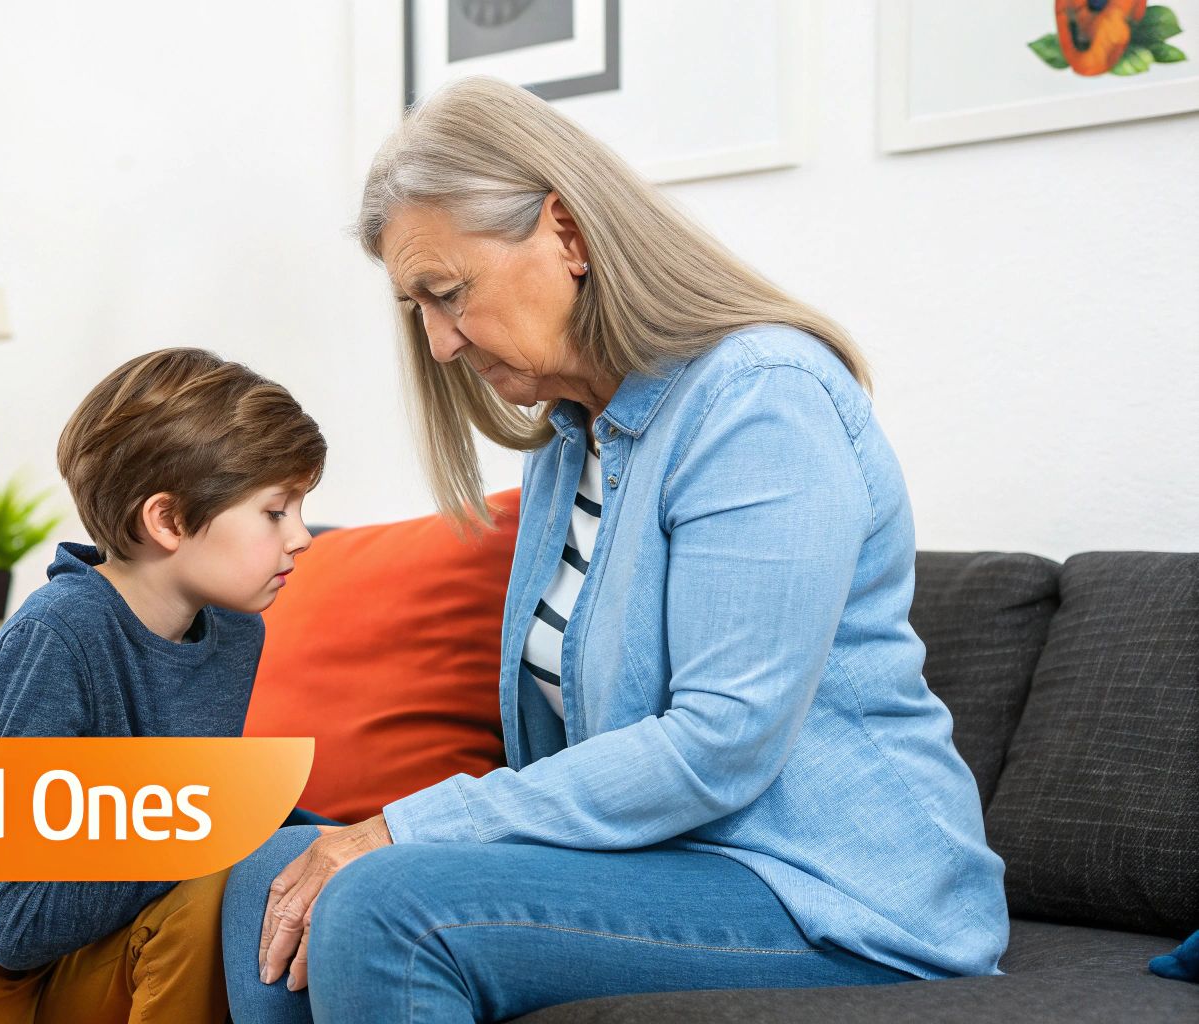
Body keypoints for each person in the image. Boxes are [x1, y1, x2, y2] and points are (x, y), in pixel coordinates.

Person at [206, 76, 1008, 1021]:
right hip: (669, 864)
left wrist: (405, 828)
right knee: (269, 866)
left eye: (447, 294)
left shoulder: (760, 399)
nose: (438, 345)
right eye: (415, 309)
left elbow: (718, 746)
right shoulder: (574, 439)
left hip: (836, 892)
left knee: (389, 907)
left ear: (568, 235)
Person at [0, 347, 325, 1024]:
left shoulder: (233, 631)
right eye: (276, 511)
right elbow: (17, 926)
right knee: (213, 864)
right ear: (165, 521)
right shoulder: (59, 634)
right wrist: (214, 819)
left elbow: (196, 824)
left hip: (96, 955)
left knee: (220, 891)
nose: (303, 536)